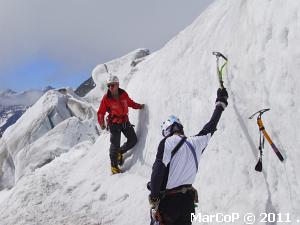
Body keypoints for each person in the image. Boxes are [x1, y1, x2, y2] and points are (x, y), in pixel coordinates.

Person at [148, 88, 228, 225]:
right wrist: (221, 103)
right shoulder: (196, 142)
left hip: (169, 205)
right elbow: (211, 125)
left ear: (169, 129)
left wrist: (154, 194)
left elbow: (158, 170)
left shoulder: (167, 142)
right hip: (188, 204)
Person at [97, 75, 144, 174]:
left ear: (117, 84)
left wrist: (139, 106)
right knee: (115, 145)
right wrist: (102, 123)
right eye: (108, 86)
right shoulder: (106, 98)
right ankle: (114, 166)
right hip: (114, 124)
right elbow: (101, 112)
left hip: (124, 121)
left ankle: (120, 152)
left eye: (112, 85)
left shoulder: (123, 94)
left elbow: (130, 103)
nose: (110, 87)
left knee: (133, 140)